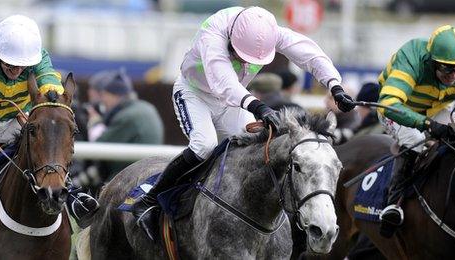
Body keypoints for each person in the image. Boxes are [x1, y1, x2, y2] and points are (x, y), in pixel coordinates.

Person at [130, 6, 355, 241]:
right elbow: (224, 82)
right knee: (204, 146)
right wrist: (258, 107)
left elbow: (309, 54)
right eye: (240, 55)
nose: (243, 61)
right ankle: (149, 201)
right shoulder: (213, 35)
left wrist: (334, 86)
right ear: (231, 40)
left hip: (233, 100)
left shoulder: (266, 31)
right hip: (194, 94)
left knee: (254, 151)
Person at [0, 14, 98, 228]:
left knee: (43, 140)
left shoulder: (37, 55)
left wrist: (55, 96)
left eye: (22, 66)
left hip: (16, 115)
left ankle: (69, 194)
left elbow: (50, 83)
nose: (16, 71)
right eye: (10, 64)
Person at [377, 25, 455, 238]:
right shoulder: (412, 55)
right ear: (432, 61)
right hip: (397, 110)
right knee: (415, 139)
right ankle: (394, 203)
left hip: (437, 110)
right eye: (447, 68)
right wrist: (427, 124)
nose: (454, 75)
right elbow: (389, 103)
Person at [87, 68, 165, 181]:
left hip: (129, 181)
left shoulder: (127, 117)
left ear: (116, 95)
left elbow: (98, 146)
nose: (102, 100)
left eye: (104, 95)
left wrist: (95, 122)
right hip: (147, 176)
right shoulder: (146, 108)